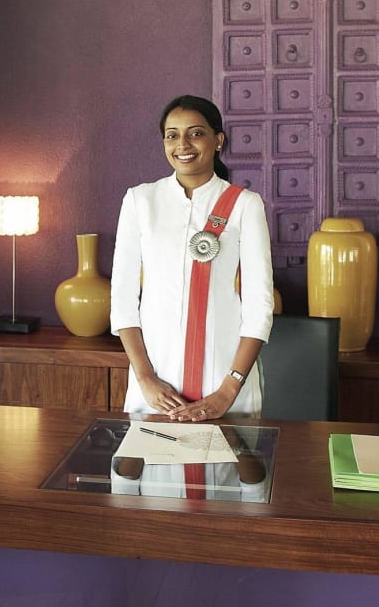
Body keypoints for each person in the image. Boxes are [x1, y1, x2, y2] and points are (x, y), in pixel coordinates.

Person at [110, 94, 273, 423]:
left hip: (225, 376)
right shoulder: (141, 200)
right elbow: (123, 299)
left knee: (224, 471)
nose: (182, 144)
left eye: (196, 133)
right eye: (172, 135)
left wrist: (229, 389)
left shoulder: (244, 204)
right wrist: (145, 379)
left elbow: (260, 304)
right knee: (153, 471)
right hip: (156, 380)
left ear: (218, 140)